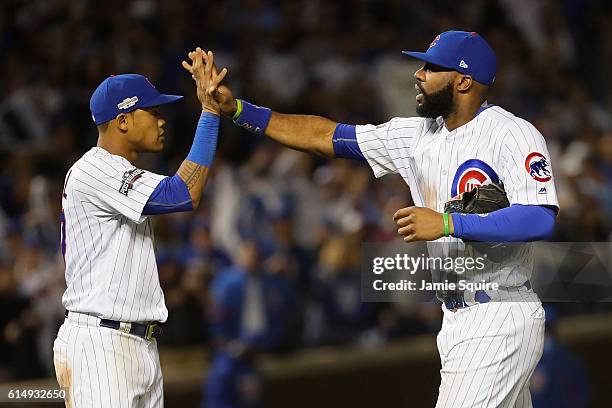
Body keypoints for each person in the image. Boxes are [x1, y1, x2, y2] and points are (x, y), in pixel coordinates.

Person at [201, 31, 559, 407]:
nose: (418, 74)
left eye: (432, 67)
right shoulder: (417, 135)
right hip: (456, 318)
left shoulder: (510, 133)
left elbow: (540, 218)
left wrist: (449, 224)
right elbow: (326, 136)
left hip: (497, 313)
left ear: (464, 81)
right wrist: (239, 110)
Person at [52, 48, 226, 407]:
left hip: (137, 343)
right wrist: (209, 111)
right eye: (153, 112)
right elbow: (182, 193)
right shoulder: (94, 169)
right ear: (123, 121)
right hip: (100, 344)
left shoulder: (120, 173)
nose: (162, 121)